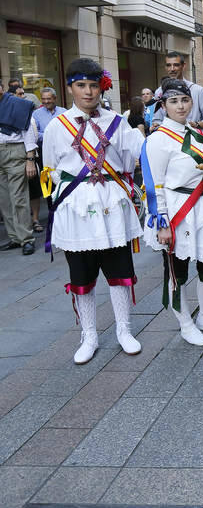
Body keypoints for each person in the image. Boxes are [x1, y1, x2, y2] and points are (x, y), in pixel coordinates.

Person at [41, 59, 143, 364]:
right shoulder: (56, 126)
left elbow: (134, 159)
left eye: (93, 85)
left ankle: (124, 330)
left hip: (112, 204)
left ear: (102, 86)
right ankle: (89, 335)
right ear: (70, 87)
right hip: (76, 208)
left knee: (120, 272)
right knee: (81, 276)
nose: (88, 92)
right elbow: (50, 170)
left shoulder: (117, 122)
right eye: (81, 85)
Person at [141, 79, 203, 347]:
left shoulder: (197, 133)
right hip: (180, 208)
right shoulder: (158, 139)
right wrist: (162, 223)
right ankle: (186, 324)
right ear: (163, 106)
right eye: (173, 101)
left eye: (185, 100)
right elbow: (154, 184)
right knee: (177, 271)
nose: (180, 106)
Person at [0, 79, 37, 254]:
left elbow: (28, 130)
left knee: (19, 197)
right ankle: (15, 237)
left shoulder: (17, 104)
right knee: (5, 199)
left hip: (15, 151)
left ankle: (26, 239)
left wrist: (30, 158)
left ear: (1, 88)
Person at [151, 51, 203, 135]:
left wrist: (197, 125)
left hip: (194, 142)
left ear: (183, 66)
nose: (172, 69)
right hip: (170, 142)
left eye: (176, 65)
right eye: (168, 65)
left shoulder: (197, 90)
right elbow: (157, 120)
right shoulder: (160, 91)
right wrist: (157, 126)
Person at [30, 88, 67, 233]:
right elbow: (34, 134)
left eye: (49, 99)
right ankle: (53, 217)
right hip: (45, 154)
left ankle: (64, 215)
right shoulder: (36, 114)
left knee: (63, 182)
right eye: (43, 99)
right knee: (49, 185)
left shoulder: (63, 112)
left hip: (63, 154)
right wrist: (50, 134)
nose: (46, 102)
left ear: (55, 98)